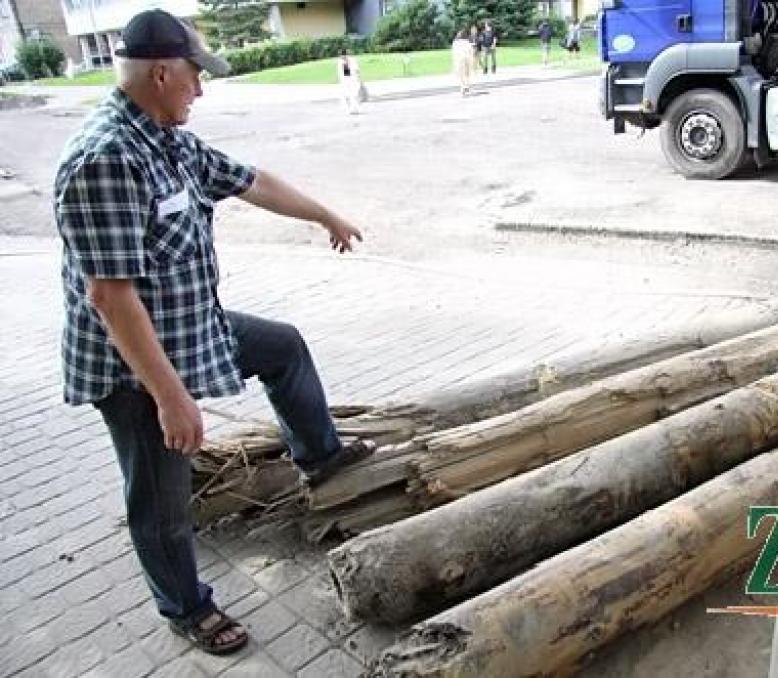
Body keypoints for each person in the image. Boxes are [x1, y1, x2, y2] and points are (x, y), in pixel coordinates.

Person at [54, 9, 374, 657]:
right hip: (131, 360)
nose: (202, 89)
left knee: (281, 347)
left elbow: (251, 181)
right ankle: (185, 607)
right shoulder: (108, 160)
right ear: (164, 73)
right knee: (162, 497)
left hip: (189, 324)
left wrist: (325, 215)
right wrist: (171, 397)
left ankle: (319, 455)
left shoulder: (167, 135)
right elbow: (112, 298)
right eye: (196, 77)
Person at [336, 47, 364, 114]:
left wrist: (359, 79)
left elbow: (357, 70)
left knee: (354, 95)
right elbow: (339, 72)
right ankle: (349, 109)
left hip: (352, 79)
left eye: (343, 55)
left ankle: (356, 109)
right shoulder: (340, 62)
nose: (342, 57)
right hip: (345, 80)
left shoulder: (352, 60)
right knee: (346, 95)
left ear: (346, 55)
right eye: (341, 56)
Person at [451, 29, 475, 96]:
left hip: (459, 59)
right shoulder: (467, 42)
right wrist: (472, 60)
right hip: (467, 59)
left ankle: (462, 87)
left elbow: (454, 52)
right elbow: (471, 51)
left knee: (460, 75)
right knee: (467, 74)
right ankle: (467, 85)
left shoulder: (455, 42)